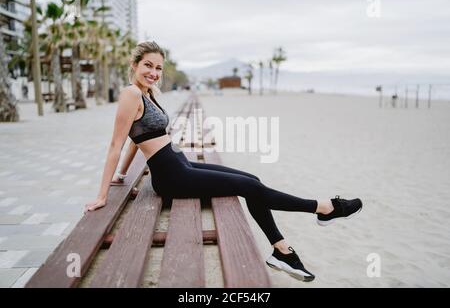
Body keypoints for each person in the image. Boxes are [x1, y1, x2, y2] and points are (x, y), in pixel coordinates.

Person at [84, 41, 363, 282]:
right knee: (250, 188)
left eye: (158, 68)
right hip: (172, 178)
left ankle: (282, 251)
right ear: (134, 64)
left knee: (252, 181)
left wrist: (122, 174)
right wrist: (102, 195)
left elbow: (136, 137)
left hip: (179, 163)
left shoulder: (147, 93)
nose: (153, 73)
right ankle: (322, 208)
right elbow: (116, 143)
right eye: (148, 65)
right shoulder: (129, 94)